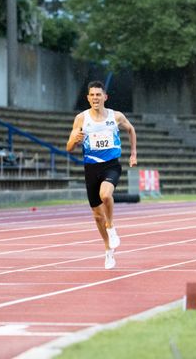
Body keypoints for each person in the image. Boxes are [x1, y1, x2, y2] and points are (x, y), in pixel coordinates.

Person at [66, 80, 137, 270]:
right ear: (88, 98)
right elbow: (68, 147)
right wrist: (75, 140)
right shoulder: (81, 119)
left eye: (99, 95)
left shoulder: (116, 116)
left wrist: (133, 154)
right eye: (92, 95)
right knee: (97, 216)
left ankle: (111, 226)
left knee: (106, 195)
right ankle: (108, 249)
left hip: (111, 165)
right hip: (91, 168)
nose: (95, 98)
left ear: (105, 97)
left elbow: (131, 130)